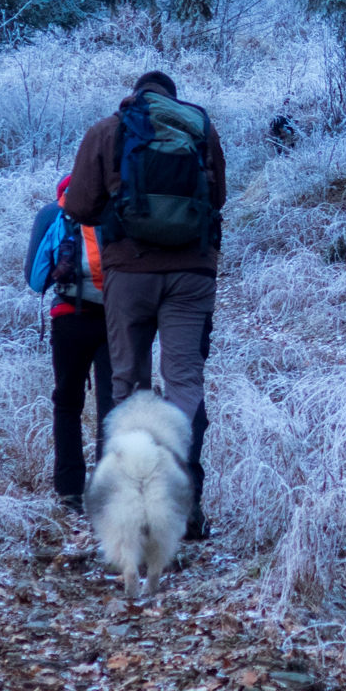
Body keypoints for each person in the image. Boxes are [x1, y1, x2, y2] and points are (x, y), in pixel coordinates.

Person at [65, 71, 226, 540]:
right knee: (184, 384)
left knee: (128, 385)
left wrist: (124, 216)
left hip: (128, 275)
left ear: (136, 94)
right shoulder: (200, 127)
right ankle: (185, 506)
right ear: (173, 99)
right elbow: (217, 198)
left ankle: (128, 509)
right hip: (192, 276)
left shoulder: (109, 129)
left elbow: (76, 206)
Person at [26, 174, 113, 514]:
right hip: (114, 320)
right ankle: (107, 491)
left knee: (67, 403)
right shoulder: (117, 206)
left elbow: (34, 281)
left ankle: (69, 492)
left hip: (68, 318)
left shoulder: (53, 214)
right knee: (112, 405)